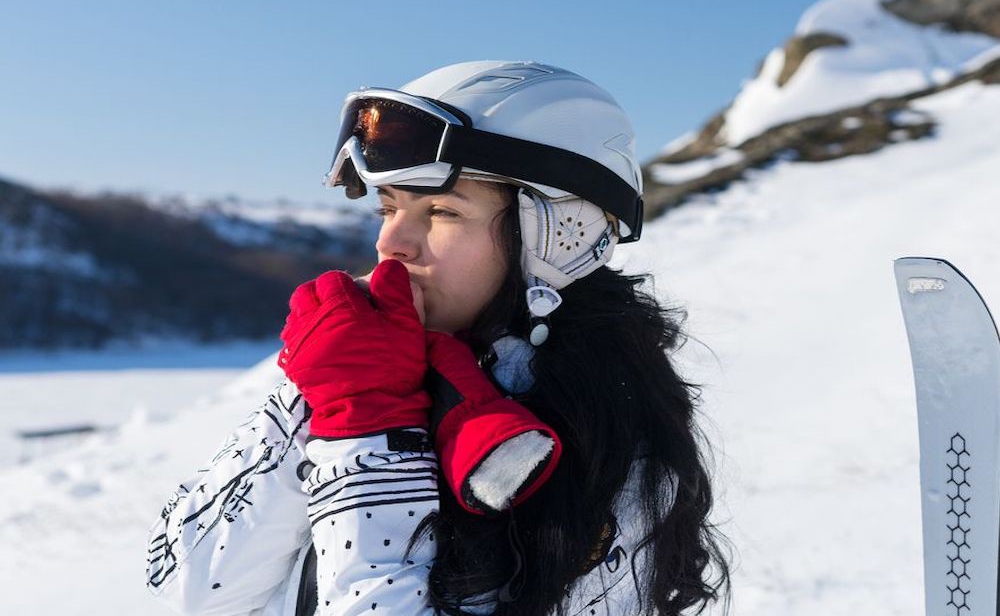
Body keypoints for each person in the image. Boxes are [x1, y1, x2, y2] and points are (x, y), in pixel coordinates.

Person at [145, 61, 732, 615]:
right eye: (388, 209)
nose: (391, 245)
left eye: (443, 213)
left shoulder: (615, 448)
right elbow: (189, 593)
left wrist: (371, 436)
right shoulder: (370, 365)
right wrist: (327, 396)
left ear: (558, 232)